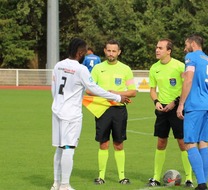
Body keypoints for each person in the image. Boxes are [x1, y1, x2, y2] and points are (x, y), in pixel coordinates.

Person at [50, 38, 129, 190]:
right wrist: (118, 97)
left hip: (57, 111)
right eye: (85, 52)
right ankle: (65, 185)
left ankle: (56, 183)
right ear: (80, 53)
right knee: (68, 148)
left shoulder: (58, 66)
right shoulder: (81, 69)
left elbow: (53, 89)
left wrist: (58, 104)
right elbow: (94, 89)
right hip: (71, 114)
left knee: (60, 148)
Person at [147, 39, 193, 187]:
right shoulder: (154, 68)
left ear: (169, 51)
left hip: (178, 108)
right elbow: (153, 90)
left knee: (182, 142)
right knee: (161, 142)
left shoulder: (180, 66)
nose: (157, 50)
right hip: (162, 110)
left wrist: (176, 102)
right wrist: (157, 102)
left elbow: (187, 86)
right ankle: (155, 177)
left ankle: (189, 178)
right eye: (156, 47)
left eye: (160, 48)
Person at [91, 39, 137, 185]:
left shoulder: (125, 69)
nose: (111, 53)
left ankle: (122, 177)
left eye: (114, 51)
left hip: (119, 110)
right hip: (102, 109)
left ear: (119, 52)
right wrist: (106, 94)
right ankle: (101, 177)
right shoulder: (97, 68)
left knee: (119, 143)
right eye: (108, 50)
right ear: (105, 51)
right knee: (103, 143)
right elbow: (88, 89)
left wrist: (116, 93)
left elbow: (133, 92)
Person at [177, 34, 208, 190]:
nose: (185, 48)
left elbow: (189, 80)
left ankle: (201, 184)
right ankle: (203, 182)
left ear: (193, 44)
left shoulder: (191, 56)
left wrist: (181, 104)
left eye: (186, 44)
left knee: (190, 143)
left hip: (195, 104)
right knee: (203, 143)